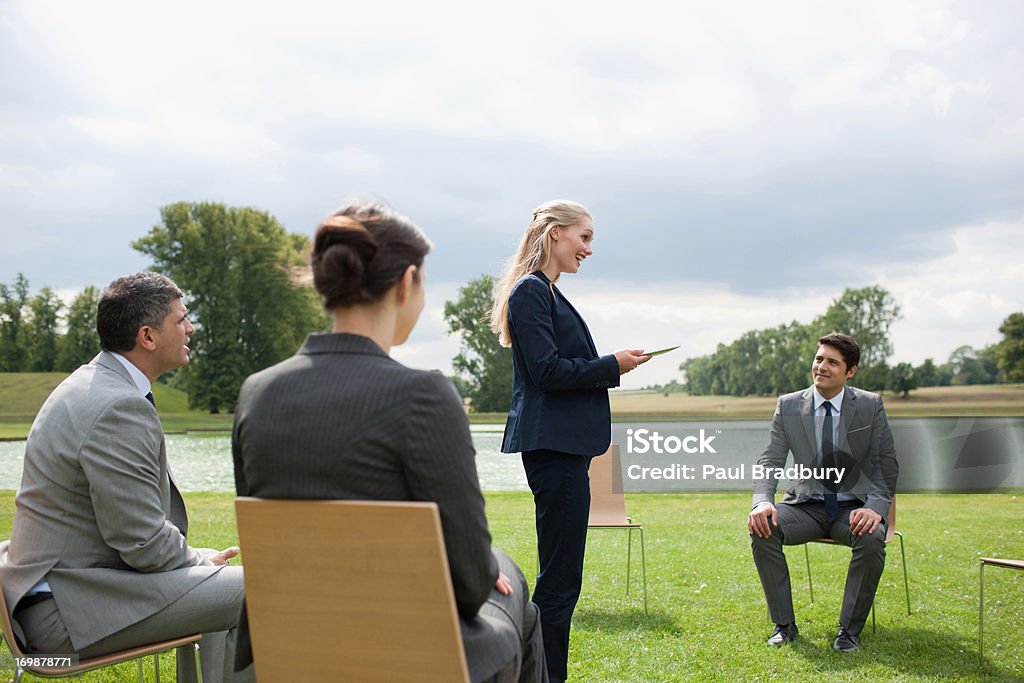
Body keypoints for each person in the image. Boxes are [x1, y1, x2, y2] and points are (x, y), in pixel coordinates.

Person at [231, 200, 546, 683]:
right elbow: (468, 582)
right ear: (406, 284)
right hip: (413, 655)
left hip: (299, 644)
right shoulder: (423, 395)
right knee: (509, 577)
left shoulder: (257, 393)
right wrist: (484, 570)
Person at [0, 272, 253, 683]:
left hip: (62, 595)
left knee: (223, 588)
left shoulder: (91, 384)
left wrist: (197, 563)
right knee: (259, 593)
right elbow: (142, 543)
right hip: (64, 617)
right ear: (148, 337)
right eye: (181, 319)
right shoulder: (117, 406)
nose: (190, 328)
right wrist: (198, 560)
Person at [490, 200, 649, 682]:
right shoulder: (531, 293)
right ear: (556, 234)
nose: (589, 249)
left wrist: (609, 364)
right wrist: (610, 366)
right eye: (585, 237)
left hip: (565, 450)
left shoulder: (548, 294)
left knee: (562, 580)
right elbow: (546, 371)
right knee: (558, 584)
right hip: (553, 450)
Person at [748, 332, 900, 652]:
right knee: (762, 528)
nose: (822, 367)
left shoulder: (870, 405)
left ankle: (849, 632)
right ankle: (784, 625)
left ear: (850, 371)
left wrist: (874, 507)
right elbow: (770, 460)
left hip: (853, 508)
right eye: (819, 359)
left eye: (833, 362)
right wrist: (761, 501)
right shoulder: (788, 405)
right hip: (805, 506)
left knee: (872, 536)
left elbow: (885, 463)